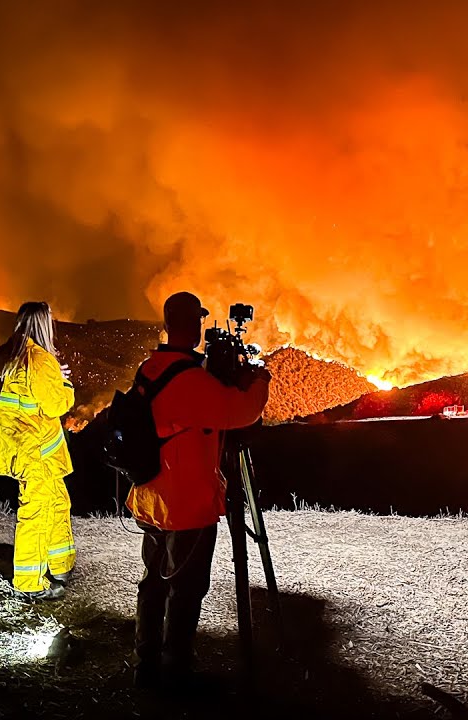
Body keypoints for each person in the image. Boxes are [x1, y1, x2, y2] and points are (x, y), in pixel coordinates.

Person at [127, 291, 271, 690]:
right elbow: (241, 411)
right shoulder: (190, 379)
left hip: (151, 498)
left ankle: (145, 665)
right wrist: (259, 378)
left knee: (153, 582)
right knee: (185, 588)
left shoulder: (151, 368)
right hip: (186, 503)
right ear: (194, 326)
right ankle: (175, 671)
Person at [0, 301, 76, 601]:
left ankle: (61, 565)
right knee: (38, 512)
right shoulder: (39, 360)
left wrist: (52, 373)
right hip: (38, 451)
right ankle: (30, 583)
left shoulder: (6, 356)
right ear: (42, 324)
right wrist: (65, 385)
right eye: (50, 319)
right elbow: (56, 405)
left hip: (23, 449)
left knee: (56, 502)